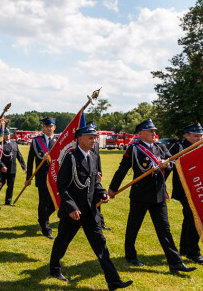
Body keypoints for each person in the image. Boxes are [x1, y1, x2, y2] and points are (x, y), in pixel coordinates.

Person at [49, 125, 133, 291]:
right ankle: (54, 269)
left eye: (95, 137)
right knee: (62, 242)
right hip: (73, 212)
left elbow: (94, 182)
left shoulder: (93, 156)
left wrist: (102, 193)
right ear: (80, 139)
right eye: (90, 137)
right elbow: (62, 185)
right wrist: (71, 207)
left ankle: (114, 281)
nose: (94, 140)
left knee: (101, 246)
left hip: (90, 211)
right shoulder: (71, 157)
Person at [108, 119, 197, 273]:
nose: (154, 133)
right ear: (140, 133)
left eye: (155, 131)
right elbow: (122, 169)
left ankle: (175, 262)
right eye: (150, 131)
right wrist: (112, 189)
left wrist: (167, 164)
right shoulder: (134, 149)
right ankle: (130, 255)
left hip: (159, 196)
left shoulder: (160, 147)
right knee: (133, 227)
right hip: (140, 195)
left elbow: (173, 163)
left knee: (165, 230)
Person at [170, 122, 203, 264]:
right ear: (187, 135)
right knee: (196, 218)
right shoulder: (178, 147)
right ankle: (194, 252)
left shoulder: (202, 146)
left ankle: (185, 249)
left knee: (189, 218)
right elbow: (168, 165)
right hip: (184, 189)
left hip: (198, 189)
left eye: (201, 135)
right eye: (196, 136)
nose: (199, 138)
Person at [26, 117, 57, 239]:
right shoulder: (36, 141)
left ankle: (42, 218)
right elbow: (30, 160)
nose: (49, 128)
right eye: (46, 126)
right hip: (42, 177)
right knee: (44, 203)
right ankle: (46, 228)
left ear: (54, 127)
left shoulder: (58, 141)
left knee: (55, 203)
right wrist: (28, 177)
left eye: (51, 126)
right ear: (43, 127)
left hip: (55, 177)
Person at [0, 128, 26, 208]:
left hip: (12, 169)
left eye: (8, 134)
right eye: (5, 134)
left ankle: (8, 201)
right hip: (3, 170)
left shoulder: (14, 144)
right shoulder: (0, 145)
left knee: (11, 186)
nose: (7, 135)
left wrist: (24, 167)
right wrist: (2, 166)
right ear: (3, 135)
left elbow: (19, 156)